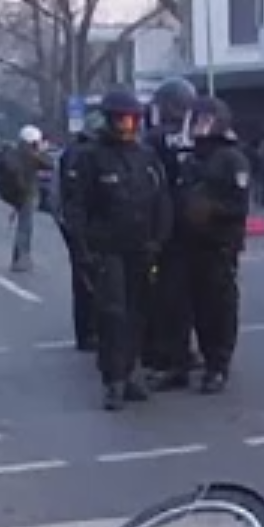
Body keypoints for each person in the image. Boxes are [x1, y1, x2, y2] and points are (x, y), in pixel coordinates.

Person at [62, 89, 171, 411]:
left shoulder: (146, 157)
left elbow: (161, 199)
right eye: (123, 119)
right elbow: (76, 208)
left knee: (139, 312)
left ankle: (132, 371)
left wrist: (159, 239)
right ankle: (114, 379)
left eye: (133, 119)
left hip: (142, 247)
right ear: (110, 120)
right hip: (106, 249)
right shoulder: (90, 157)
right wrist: (83, 250)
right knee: (112, 313)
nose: (128, 125)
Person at [160, 95, 252, 394]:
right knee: (178, 307)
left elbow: (239, 206)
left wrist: (212, 211)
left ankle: (217, 366)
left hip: (217, 246)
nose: (198, 127)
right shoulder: (191, 157)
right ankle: (179, 365)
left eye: (204, 121)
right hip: (185, 244)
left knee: (217, 309)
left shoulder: (231, 158)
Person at [143, 77, 202, 377]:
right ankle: (190, 351)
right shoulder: (200, 135)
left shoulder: (153, 139)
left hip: (166, 226)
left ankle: (169, 355)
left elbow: (147, 183)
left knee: (167, 293)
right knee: (195, 294)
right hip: (200, 226)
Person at [52, 131, 99, 352]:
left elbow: (56, 195)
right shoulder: (90, 155)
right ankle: (93, 332)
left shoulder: (68, 153)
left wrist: (64, 222)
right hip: (90, 225)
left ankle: (87, 334)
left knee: (82, 280)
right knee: (93, 280)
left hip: (75, 224)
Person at [3, 126, 51, 272]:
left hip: (18, 193)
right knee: (25, 228)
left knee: (22, 227)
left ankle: (18, 258)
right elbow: (48, 164)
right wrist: (42, 150)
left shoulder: (15, 152)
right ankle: (21, 259)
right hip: (27, 193)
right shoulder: (30, 154)